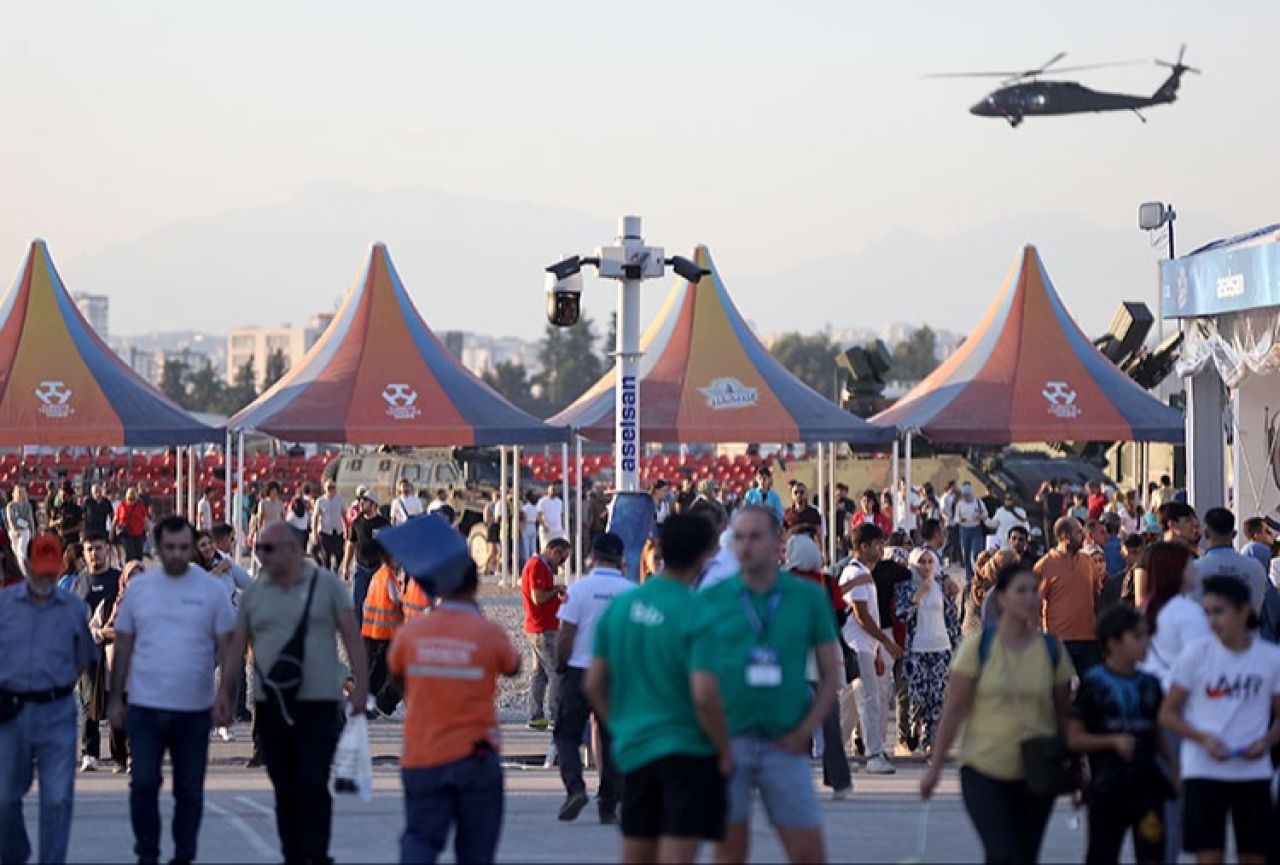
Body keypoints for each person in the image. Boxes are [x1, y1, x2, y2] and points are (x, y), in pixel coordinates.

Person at [215, 521, 368, 865]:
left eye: (269, 549)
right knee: (284, 786)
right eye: (260, 550)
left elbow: (351, 637)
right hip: (273, 704)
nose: (263, 556)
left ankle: (316, 852)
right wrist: (225, 694)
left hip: (319, 701)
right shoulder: (255, 593)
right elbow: (236, 647)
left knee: (314, 781)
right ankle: (292, 853)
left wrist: (360, 687)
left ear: (293, 549)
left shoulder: (326, 585)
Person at [698, 506, 841, 865]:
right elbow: (698, 683)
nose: (745, 546)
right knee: (730, 852)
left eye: (755, 536)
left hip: (785, 744)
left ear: (780, 543)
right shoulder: (713, 601)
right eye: (739, 537)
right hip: (729, 743)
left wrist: (805, 732)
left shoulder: (808, 597)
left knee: (809, 852)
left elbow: (830, 676)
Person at [585, 514, 728, 865]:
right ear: (703, 556)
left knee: (637, 850)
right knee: (679, 851)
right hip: (686, 750)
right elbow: (705, 693)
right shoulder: (699, 612)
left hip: (636, 748)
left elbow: (594, 682)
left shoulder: (622, 607)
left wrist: (619, 726)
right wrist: (725, 747)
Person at [921, 564, 1074, 864]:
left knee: (1026, 856)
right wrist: (935, 768)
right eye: (1021, 590)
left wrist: (1075, 767)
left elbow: (1064, 714)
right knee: (1003, 853)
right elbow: (954, 710)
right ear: (1001, 598)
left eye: (1035, 591)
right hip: (983, 769)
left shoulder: (1051, 649)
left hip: (1036, 771)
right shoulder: (978, 647)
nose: (1030, 598)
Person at [108, 516, 236, 865]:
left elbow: (229, 645)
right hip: (146, 707)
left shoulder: (211, 590)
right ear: (157, 548)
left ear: (192, 547)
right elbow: (123, 645)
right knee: (144, 784)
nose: (178, 554)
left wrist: (226, 694)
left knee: (189, 792)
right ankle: (147, 853)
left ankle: (184, 855)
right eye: (170, 548)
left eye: (184, 547)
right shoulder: (140, 591)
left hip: (194, 711)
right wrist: (115, 697)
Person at [1158, 576, 1280, 865]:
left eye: (1220, 611)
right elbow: (1167, 713)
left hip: (1252, 771)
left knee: (1254, 855)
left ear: (1243, 610)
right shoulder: (1195, 656)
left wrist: (1265, 741)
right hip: (1204, 769)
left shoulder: (1270, 658)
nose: (1213, 620)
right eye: (1208, 612)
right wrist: (1203, 739)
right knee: (1209, 855)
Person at [0, 535, 93, 865]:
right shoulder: (5, 605)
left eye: (51, 573)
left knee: (56, 798)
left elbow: (84, 657)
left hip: (56, 711)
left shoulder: (72, 608)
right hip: (10, 714)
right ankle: (14, 852)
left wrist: (60, 685)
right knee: (5, 798)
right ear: (26, 566)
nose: (46, 579)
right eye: (40, 571)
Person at [1067, 605, 1173, 865]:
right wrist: (1111, 741)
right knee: (1103, 854)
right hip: (1108, 788)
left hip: (1148, 788)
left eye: (1146, 635)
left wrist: (1175, 770)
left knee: (1152, 855)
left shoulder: (1150, 684)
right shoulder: (1094, 683)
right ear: (1113, 642)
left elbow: (1158, 734)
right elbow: (1074, 738)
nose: (1145, 642)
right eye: (1136, 636)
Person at [553, 533, 634, 823]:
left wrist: (562, 665)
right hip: (615, 673)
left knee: (566, 734)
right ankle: (609, 803)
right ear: (621, 559)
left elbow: (566, 634)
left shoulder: (581, 589)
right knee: (613, 738)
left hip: (578, 669)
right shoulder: (630, 592)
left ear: (593, 557)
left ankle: (575, 787)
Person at [784, 533, 852, 798]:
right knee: (829, 720)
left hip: (792, 655)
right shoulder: (827, 581)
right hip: (825, 654)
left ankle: (795, 778)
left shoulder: (783, 581)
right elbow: (839, 617)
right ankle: (839, 781)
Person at [841, 522, 900, 773]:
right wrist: (886, 643)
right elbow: (861, 616)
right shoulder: (855, 574)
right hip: (857, 645)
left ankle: (829, 752)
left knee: (851, 707)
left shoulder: (862, 574)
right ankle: (874, 754)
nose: (881, 549)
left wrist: (876, 650)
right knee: (869, 700)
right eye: (877, 545)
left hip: (864, 646)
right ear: (863, 547)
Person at [895, 548, 960, 756]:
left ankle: (930, 742)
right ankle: (915, 726)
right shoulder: (906, 587)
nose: (925, 566)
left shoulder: (941, 586)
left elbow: (951, 617)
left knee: (937, 697)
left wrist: (958, 645)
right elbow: (902, 615)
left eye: (929, 561)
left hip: (941, 647)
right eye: (921, 562)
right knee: (918, 696)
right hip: (917, 649)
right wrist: (917, 596)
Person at [71, 533, 122, 773]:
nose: (94, 554)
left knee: (116, 700)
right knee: (89, 701)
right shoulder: (79, 582)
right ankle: (89, 753)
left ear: (108, 550)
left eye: (98, 549)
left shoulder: (118, 578)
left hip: (115, 649)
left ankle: (120, 753)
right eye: (90, 550)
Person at [1036, 517, 1103, 675]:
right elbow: (1033, 605)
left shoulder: (1087, 561)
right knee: (1059, 692)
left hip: (1089, 639)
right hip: (1059, 641)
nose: (1084, 537)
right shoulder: (1045, 565)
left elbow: (1097, 594)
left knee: (1090, 689)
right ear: (1065, 536)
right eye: (1079, 533)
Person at [521, 538, 569, 730]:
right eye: (562, 559)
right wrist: (556, 589)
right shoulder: (537, 566)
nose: (562, 564)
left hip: (538, 626)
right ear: (554, 552)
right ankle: (555, 715)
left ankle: (535, 715)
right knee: (555, 671)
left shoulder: (540, 566)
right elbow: (538, 597)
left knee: (539, 673)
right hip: (542, 628)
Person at [1193, 507, 1268, 613]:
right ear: (1234, 534)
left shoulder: (1193, 570)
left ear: (1206, 534)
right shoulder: (1256, 568)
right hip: (1247, 628)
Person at [362, 552, 405, 716]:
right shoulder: (388, 576)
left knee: (371, 669)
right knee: (380, 672)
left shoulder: (377, 575)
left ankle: (366, 701)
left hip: (370, 629)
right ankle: (371, 705)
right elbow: (396, 599)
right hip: (384, 632)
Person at [1133, 502, 1201, 607]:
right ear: (1172, 525)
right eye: (1188, 520)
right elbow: (1140, 601)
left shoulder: (1192, 557)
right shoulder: (1149, 555)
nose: (1195, 524)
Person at [344, 492, 388, 624]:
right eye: (362, 501)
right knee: (355, 602)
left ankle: (375, 630)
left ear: (374, 504)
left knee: (378, 602)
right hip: (360, 568)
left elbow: (390, 546)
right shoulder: (357, 522)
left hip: (378, 568)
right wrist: (346, 566)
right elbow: (350, 544)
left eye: (366, 501)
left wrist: (390, 568)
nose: (362, 503)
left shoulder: (383, 523)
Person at [953, 483, 989, 580]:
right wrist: (960, 520)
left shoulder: (978, 501)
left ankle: (979, 572)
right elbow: (956, 518)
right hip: (965, 529)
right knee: (966, 554)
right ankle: (969, 575)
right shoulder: (960, 504)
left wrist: (981, 517)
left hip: (976, 529)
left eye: (967, 495)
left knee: (977, 552)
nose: (966, 497)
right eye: (964, 495)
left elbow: (985, 513)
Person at [311, 480, 346, 572]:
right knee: (326, 555)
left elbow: (344, 515)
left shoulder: (340, 500)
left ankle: (336, 568)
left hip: (338, 531)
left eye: (333, 487)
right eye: (329, 488)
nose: (331, 489)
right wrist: (314, 533)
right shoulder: (320, 501)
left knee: (340, 554)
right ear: (325, 489)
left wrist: (346, 530)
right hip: (325, 531)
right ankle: (327, 575)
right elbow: (315, 517)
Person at [113, 488, 149, 564]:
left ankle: (139, 570)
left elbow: (145, 518)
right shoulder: (121, 505)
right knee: (130, 554)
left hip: (138, 532)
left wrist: (147, 528)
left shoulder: (140, 505)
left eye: (133, 493)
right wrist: (112, 531)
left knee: (139, 554)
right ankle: (129, 570)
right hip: (126, 533)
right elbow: (116, 519)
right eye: (130, 493)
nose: (131, 495)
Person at [781, 481, 822, 546]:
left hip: (809, 550)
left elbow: (820, 535)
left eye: (801, 492)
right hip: (792, 551)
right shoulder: (786, 513)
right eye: (795, 492)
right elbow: (783, 537)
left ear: (806, 494)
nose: (798, 495)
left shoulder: (813, 513)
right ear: (792, 495)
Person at [5, 486, 33, 574]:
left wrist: (32, 530)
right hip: (14, 532)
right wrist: (15, 530)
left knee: (22, 551)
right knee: (16, 552)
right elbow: (11, 520)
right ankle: (21, 571)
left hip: (24, 531)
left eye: (23, 492)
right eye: (19, 492)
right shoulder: (11, 506)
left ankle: (25, 573)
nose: (21, 494)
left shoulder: (27, 505)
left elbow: (30, 519)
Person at [1035, 479, 1066, 544]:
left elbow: (1037, 498)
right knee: (1057, 538)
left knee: (1048, 539)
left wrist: (1042, 488)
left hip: (1048, 520)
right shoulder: (1061, 496)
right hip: (1057, 519)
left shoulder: (1046, 496)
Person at [536, 484, 567, 549]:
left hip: (557, 530)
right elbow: (539, 515)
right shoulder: (542, 501)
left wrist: (562, 526)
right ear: (548, 491)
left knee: (557, 549)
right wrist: (544, 526)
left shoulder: (559, 501)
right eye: (552, 490)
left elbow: (561, 515)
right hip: (547, 530)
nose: (554, 492)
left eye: (555, 490)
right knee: (546, 548)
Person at [482, 491, 502, 576]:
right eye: (496, 496)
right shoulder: (489, 506)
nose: (497, 497)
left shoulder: (501, 505)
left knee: (500, 551)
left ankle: (498, 569)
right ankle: (485, 567)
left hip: (499, 528)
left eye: (499, 496)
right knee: (492, 552)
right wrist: (495, 519)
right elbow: (486, 519)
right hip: (492, 528)